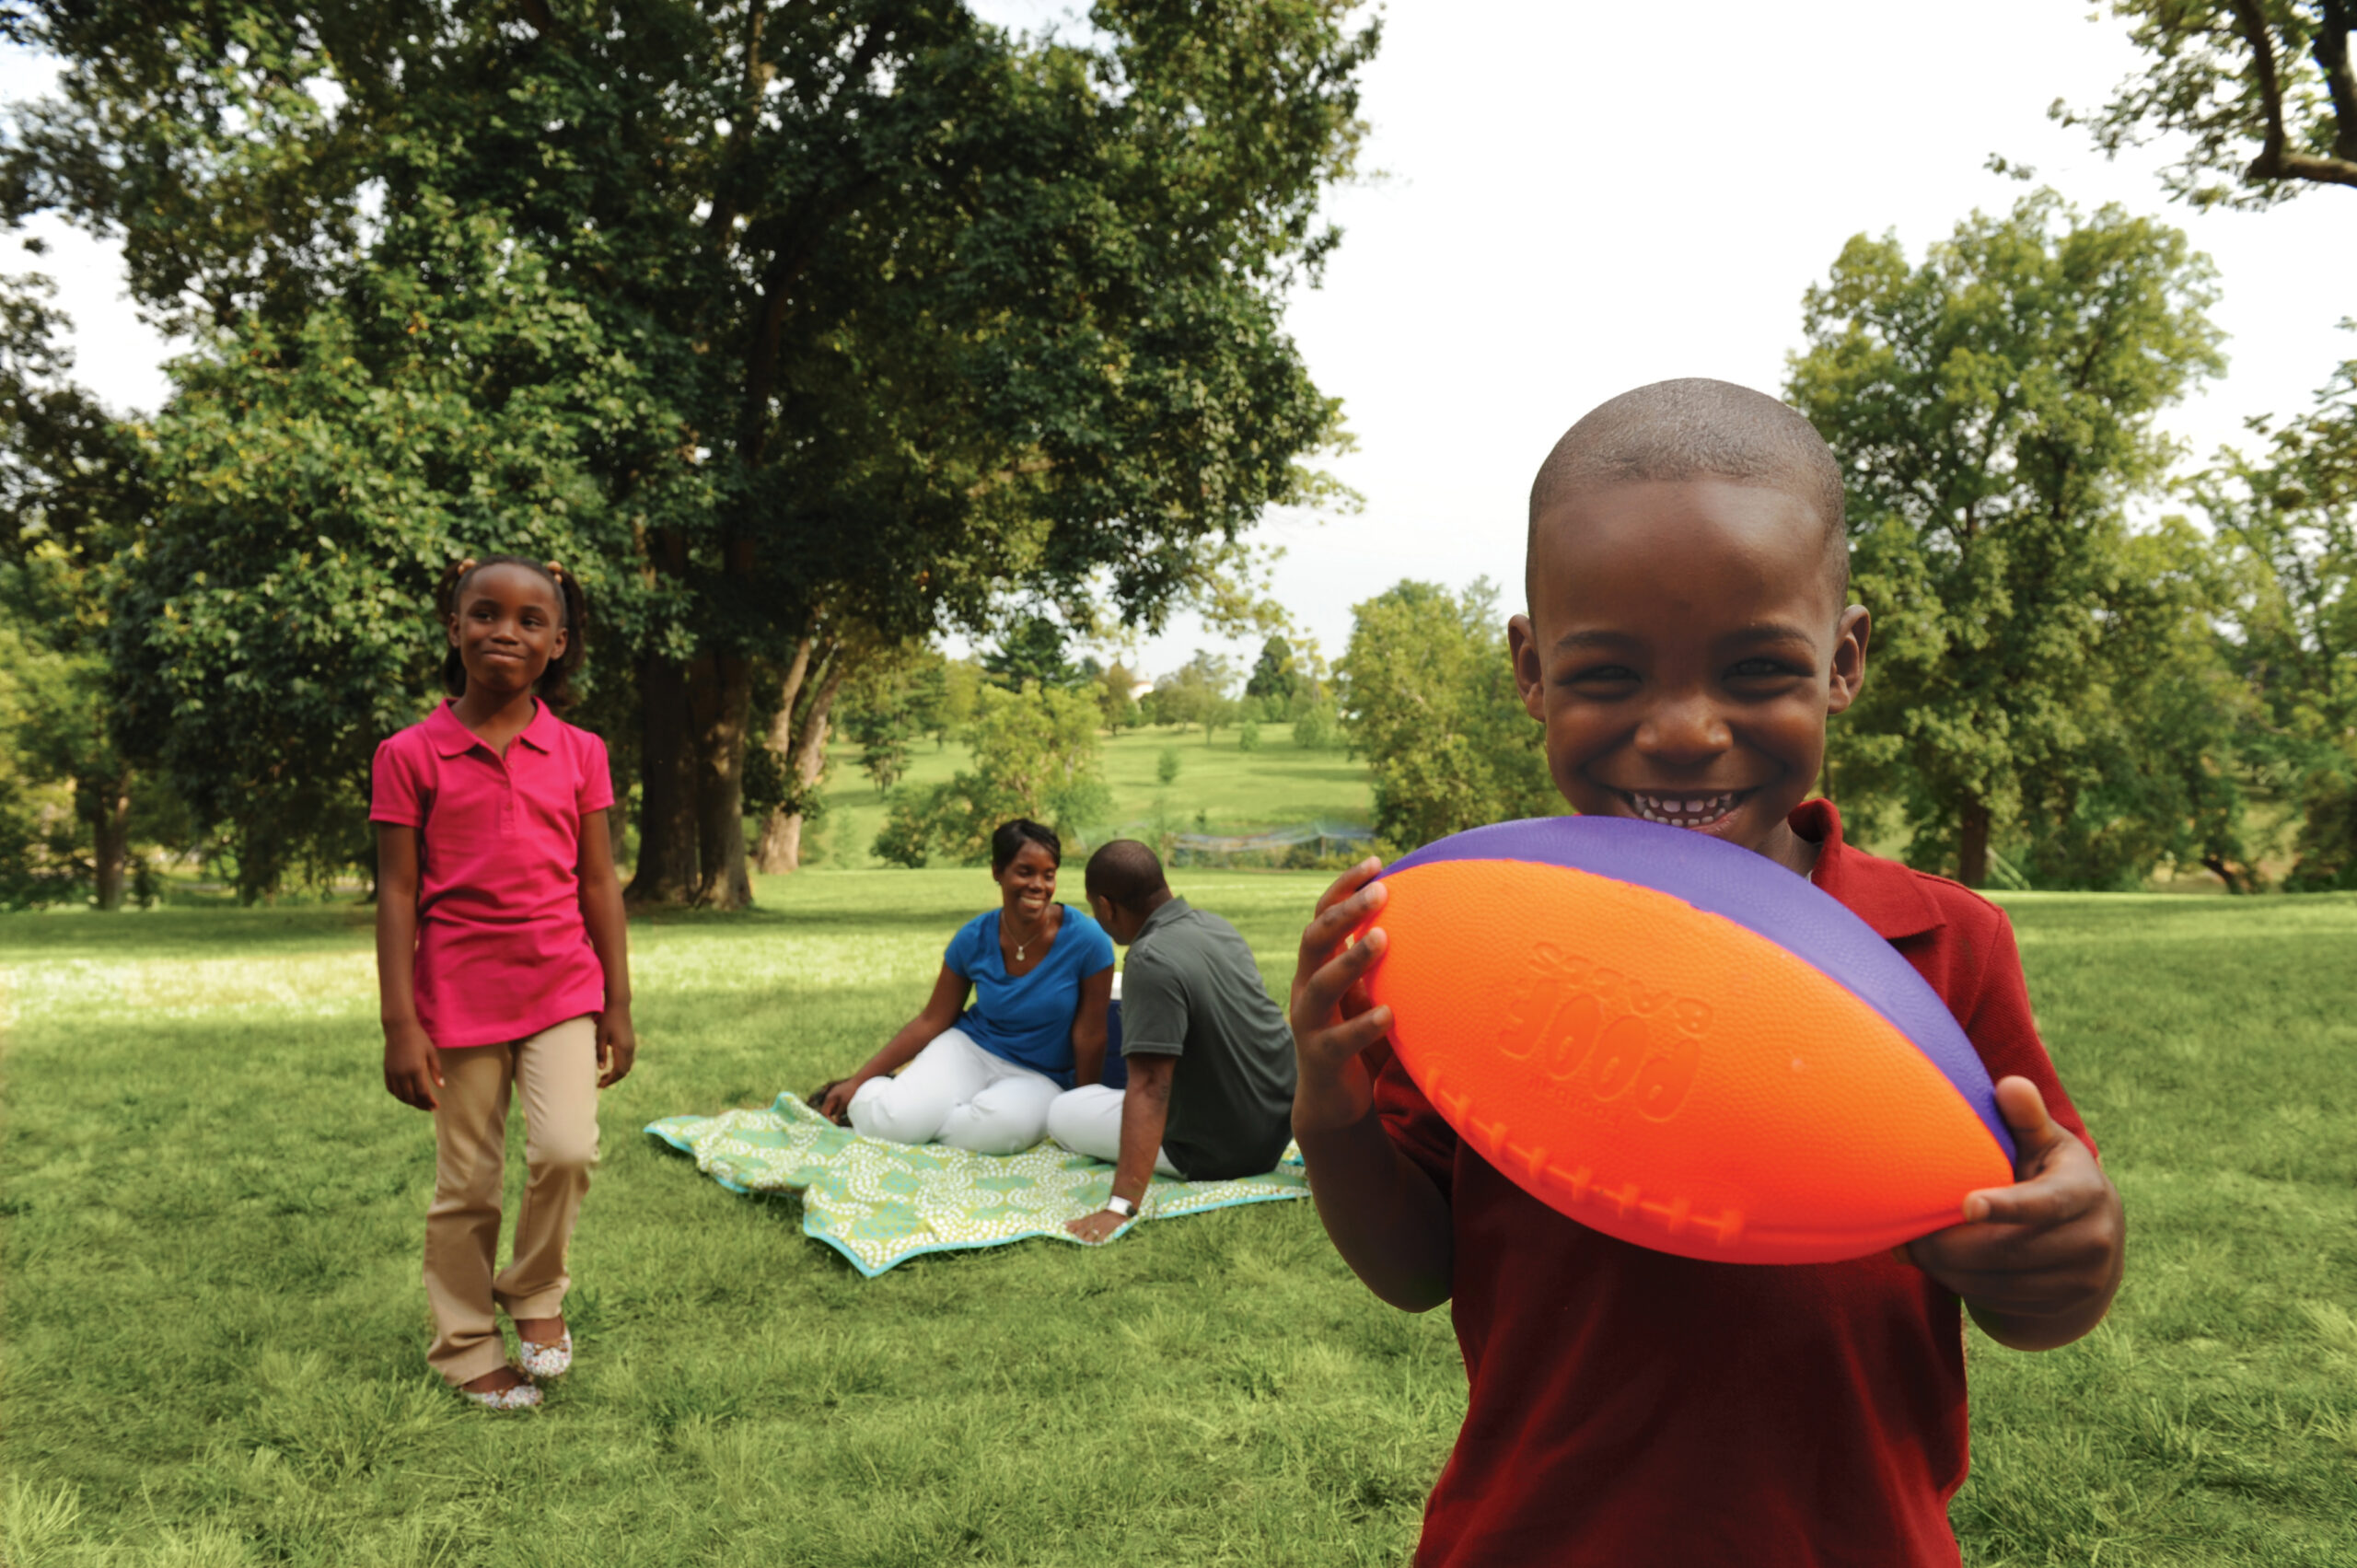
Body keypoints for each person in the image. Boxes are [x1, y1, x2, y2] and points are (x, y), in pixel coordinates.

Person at [1288, 379, 2126, 1567]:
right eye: (1610, 676)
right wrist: (1330, 1107)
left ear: (1842, 660)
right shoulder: (1475, 954)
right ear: (1530, 669)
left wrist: (2067, 1251)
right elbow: (1417, 1270)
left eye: (1753, 670)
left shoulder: (1942, 947)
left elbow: (2033, 1289)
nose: (1683, 728)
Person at [373, 554, 636, 1411]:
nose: (505, 632)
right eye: (485, 613)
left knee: (567, 1149)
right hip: (456, 995)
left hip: (563, 984)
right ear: (454, 628)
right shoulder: (409, 754)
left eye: (530, 621)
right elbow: (400, 894)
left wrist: (619, 1003)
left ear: (557, 643)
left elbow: (598, 883)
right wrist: (400, 1025)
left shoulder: (581, 751)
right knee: (468, 1183)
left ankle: (534, 1292)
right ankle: (463, 1343)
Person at [816, 819, 1113, 1153]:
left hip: (1041, 1076)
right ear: (997, 871)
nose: (1038, 885)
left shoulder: (1088, 942)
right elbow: (932, 1020)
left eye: (1049, 874)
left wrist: (1083, 1111)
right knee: (895, 1120)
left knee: (1001, 1131)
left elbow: (1091, 1035)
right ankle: (885, 1101)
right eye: (1025, 871)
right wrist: (857, 1081)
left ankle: (920, 1120)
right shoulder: (973, 938)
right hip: (970, 1049)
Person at [1052, 841, 1298, 1243]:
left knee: (1062, 1112)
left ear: (1106, 906)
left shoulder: (1149, 958)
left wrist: (1121, 1205)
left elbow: (1151, 1086)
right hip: (1273, 1132)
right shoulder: (1216, 927)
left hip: (1214, 1151)